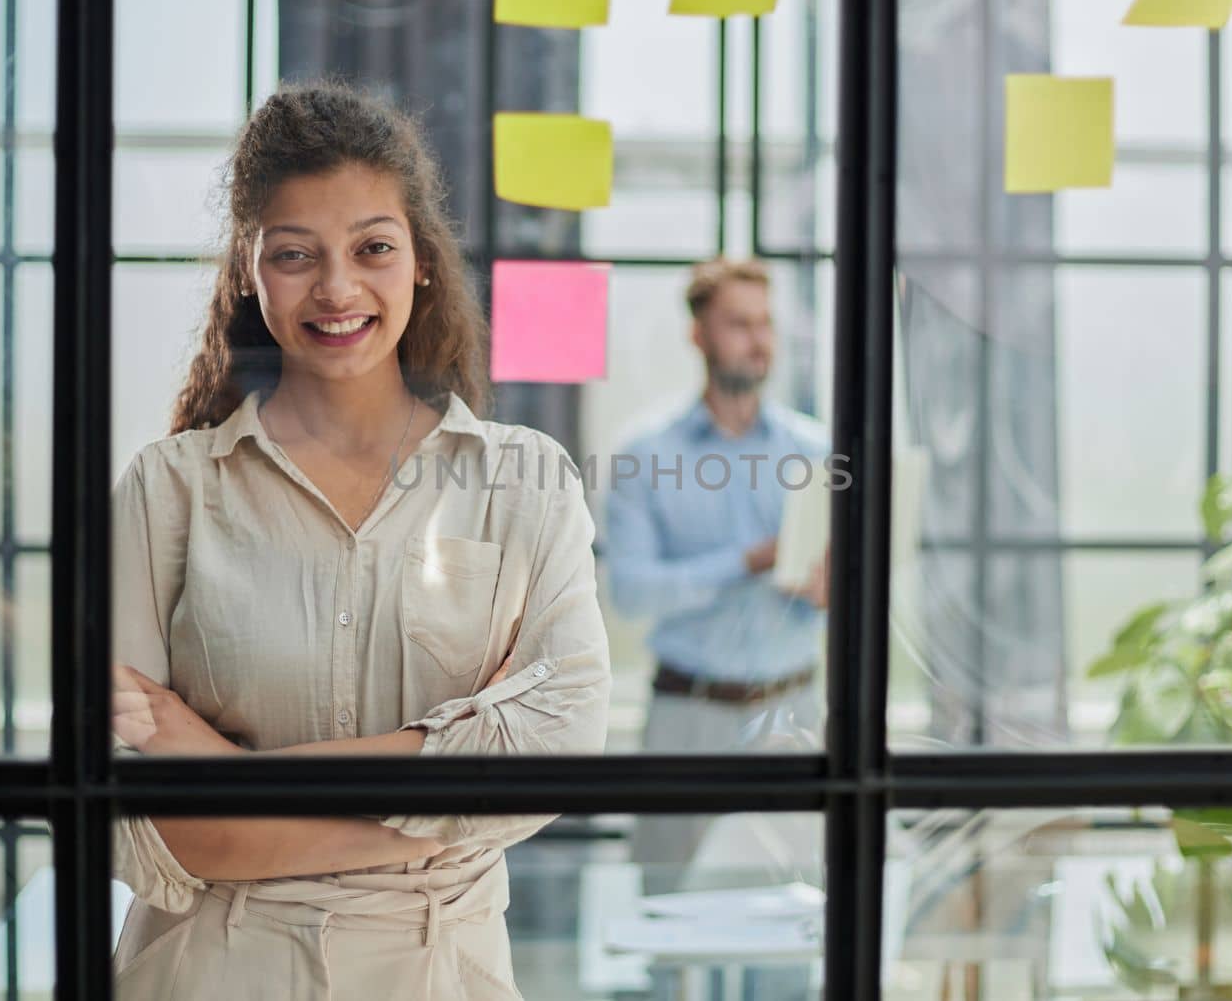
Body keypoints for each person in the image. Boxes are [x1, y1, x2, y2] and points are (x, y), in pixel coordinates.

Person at [107, 80, 611, 999]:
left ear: (420, 258)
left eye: (372, 247)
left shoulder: (524, 479)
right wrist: (439, 815)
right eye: (295, 254)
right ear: (249, 273)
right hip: (208, 970)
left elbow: (556, 748)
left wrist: (224, 773)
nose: (337, 288)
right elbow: (142, 823)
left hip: (438, 972)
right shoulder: (168, 488)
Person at [603, 258, 829, 891]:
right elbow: (631, 591)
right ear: (698, 334)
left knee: (798, 914)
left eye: (765, 324)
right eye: (737, 323)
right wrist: (747, 561)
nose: (757, 341)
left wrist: (832, 591)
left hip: (792, 715)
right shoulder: (644, 454)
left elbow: (841, 580)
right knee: (667, 908)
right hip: (686, 718)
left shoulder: (814, 451)